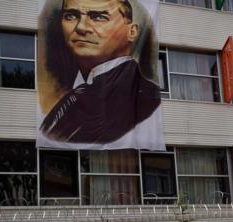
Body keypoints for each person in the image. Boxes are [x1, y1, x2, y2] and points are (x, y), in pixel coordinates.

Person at [39, 0, 162, 146]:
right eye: (71, 16)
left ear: (132, 32)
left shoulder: (146, 98)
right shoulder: (74, 93)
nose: (81, 27)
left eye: (98, 17)